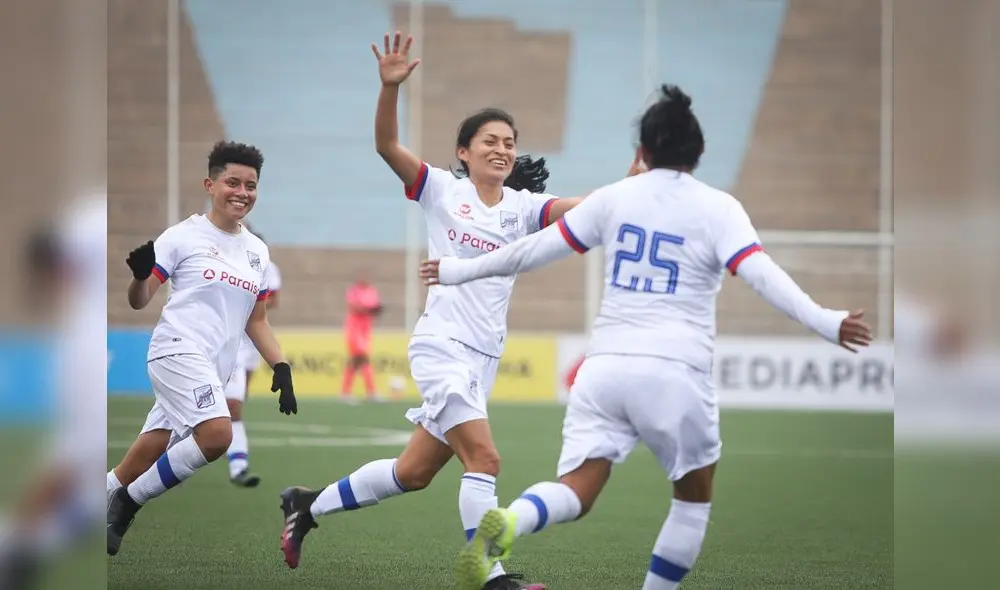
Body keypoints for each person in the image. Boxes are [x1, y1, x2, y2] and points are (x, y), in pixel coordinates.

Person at [418, 84, 874, 590]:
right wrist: (825, 321)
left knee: (578, 489)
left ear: (642, 153)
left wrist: (457, 272)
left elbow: (530, 252)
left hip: (604, 370)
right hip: (675, 369)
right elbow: (762, 275)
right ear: (698, 153)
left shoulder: (616, 199)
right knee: (692, 497)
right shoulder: (719, 208)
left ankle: (513, 520)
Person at [277, 32, 635, 590]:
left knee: (412, 473)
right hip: (441, 345)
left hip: (484, 357)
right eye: (489, 140)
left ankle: (306, 505)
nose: (502, 149)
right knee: (485, 460)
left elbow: (587, 207)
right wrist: (389, 90)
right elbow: (386, 146)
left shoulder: (524, 207)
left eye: (510, 142)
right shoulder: (441, 189)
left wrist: (632, 186)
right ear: (464, 151)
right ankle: (489, 576)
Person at [106, 141, 298, 557]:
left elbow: (257, 319)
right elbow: (140, 299)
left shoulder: (257, 251)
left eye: (251, 185)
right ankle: (129, 502)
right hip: (176, 350)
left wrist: (280, 366)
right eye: (233, 182)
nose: (242, 192)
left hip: (215, 366)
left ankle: (94, 502)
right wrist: (140, 277)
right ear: (210, 184)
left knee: (148, 450)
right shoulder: (182, 236)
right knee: (216, 434)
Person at [225, 225, 283, 487]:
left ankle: (235, 462)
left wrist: (251, 301)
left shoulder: (268, 269)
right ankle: (239, 464)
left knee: (238, 399)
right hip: (227, 342)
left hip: (252, 343)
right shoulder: (227, 264)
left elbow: (273, 300)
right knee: (232, 404)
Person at [340, 271, 382, 402]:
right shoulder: (354, 291)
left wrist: (374, 310)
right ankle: (348, 392)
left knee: (362, 360)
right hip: (354, 328)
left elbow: (374, 309)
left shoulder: (373, 291)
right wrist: (367, 309)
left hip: (366, 330)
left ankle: (367, 391)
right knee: (359, 358)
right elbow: (355, 307)